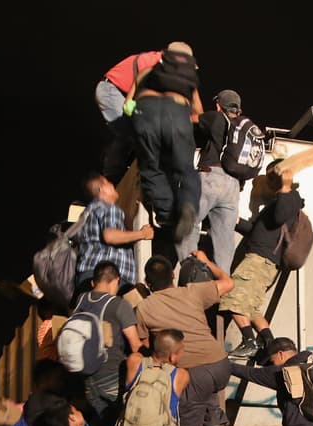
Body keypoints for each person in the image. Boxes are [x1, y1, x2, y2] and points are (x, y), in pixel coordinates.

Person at [134, 252, 235, 426]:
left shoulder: (144, 308)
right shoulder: (192, 291)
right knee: (204, 399)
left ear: (148, 284)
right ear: (173, 275)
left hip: (193, 374)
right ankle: (213, 417)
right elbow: (229, 283)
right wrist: (206, 259)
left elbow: (146, 345)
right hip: (221, 365)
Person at [76, 261, 145, 426]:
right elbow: (135, 344)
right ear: (115, 281)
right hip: (113, 378)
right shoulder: (118, 305)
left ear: (95, 282)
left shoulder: (81, 301)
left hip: (87, 381)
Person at [223, 162, 303, 360]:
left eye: (272, 176)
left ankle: (249, 341)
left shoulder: (290, 198)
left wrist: (285, 186)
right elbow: (258, 232)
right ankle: (269, 343)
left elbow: (279, 216)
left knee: (232, 298)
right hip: (264, 261)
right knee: (251, 308)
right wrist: (238, 223)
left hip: (259, 261)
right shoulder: (278, 202)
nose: (269, 181)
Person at [128, 42, 204, 245]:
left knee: (152, 169)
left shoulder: (145, 72)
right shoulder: (188, 80)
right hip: (177, 111)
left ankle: (166, 215)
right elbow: (199, 113)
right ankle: (188, 205)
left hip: (145, 111)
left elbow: (127, 106)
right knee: (185, 169)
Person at [174, 88, 250, 273]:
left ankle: (189, 270)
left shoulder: (216, 118)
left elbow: (194, 118)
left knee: (187, 223)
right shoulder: (242, 128)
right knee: (225, 241)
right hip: (233, 187)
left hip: (212, 177)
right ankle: (222, 281)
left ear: (218, 106)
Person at [73, 172, 155, 297]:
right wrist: (142, 234)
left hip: (86, 276)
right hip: (107, 278)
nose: (112, 185)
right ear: (102, 189)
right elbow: (110, 236)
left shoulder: (85, 215)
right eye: (108, 183)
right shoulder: (108, 207)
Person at [95, 48, 165, 184]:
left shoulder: (157, 64)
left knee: (130, 134)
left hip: (117, 92)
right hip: (112, 91)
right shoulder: (153, 62)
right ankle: (113, 177)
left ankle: (116, 173)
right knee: (131, 133)